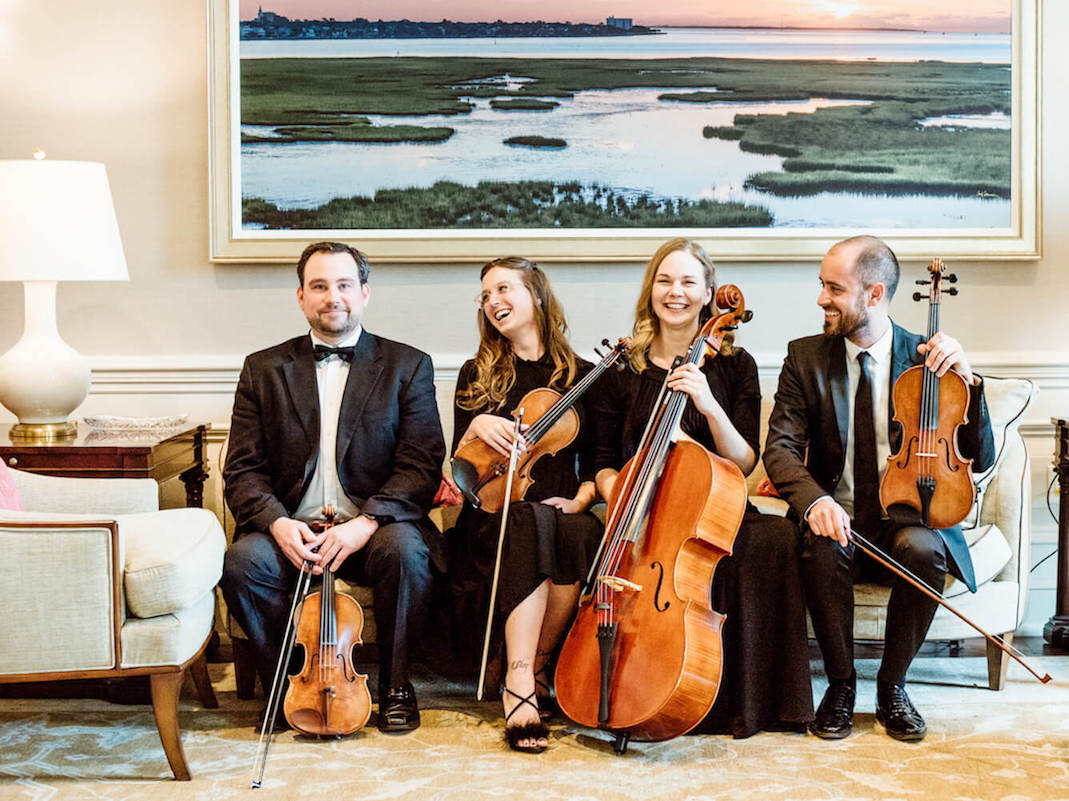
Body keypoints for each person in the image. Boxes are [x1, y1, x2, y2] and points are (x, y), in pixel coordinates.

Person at [763, 235, 995, 742]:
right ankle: (841, 685)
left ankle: (893, 686)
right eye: (822, 285)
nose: (821, 299)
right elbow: (778, 449)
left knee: (924, 550)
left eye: (833, 288)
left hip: (907, 518)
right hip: (837, 516)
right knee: (822, 545)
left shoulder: (926, 359)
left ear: (873, 294)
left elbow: (981, 457)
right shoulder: (805, 358)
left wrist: (970, 385)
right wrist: (816, 501)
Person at [591, 237, 812, 739]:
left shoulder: (736, 365)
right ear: (651, 290)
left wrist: (708, 403)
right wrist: (622, 494)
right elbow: (602, 462)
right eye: (665, 280)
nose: (676, 292)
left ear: (710, 292)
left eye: (689, 281)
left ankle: (747, 703)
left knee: (770, 540)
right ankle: (635, 690)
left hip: (715, 508)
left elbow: (745, 460)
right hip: (638, 512)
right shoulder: (622, 367)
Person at [221, 241, 445, 734]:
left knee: (407, 552)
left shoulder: (408, 366)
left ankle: (395, 686)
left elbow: (421, 465)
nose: (332, 297)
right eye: (319, 286)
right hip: (292, 529)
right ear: (301, 297)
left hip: (373, 527)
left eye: (344, 285)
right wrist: (277, 523)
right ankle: (283, 687)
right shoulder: (263, 369)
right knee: (242, 563)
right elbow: (242, 468)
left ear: (363, 293)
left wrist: (364, 524)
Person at [446, 257, 604, 754]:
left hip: (559, 512)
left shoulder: (582, 374)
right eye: (486, 295)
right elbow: (460, 469)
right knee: (528, 520)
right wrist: (474, 429)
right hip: (491, 520)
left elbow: (600, 458)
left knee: (573, 530)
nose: (494, 301)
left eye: (504, 289)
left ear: (535, 294)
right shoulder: (478, 373)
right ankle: (520, 680)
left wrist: (581, 498)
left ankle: (537, 665)